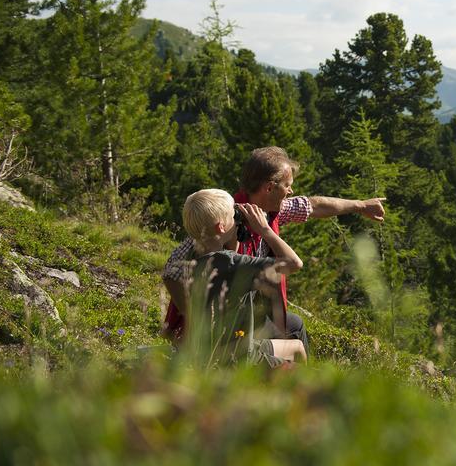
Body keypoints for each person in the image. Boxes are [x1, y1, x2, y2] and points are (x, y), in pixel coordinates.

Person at [161, 146, 385, 347]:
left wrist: (361, 205)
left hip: (249, 312)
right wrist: (192, 316)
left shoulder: (270, 212)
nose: (290, 192)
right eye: (287, 185)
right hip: (226, 325)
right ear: (269, 187)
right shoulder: (227, 219)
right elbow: (172, 270)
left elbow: (313, 205)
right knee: (292, 329)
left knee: (293, 325)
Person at [163, 188, 306, 365]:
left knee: (293, 338)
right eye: (234, 216)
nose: (236, 220)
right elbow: (294, 263)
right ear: (221, 226)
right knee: (297, 347)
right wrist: (265, 229)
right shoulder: (229, 263)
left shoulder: (190, 258)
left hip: (209, 350)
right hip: (240, 357)